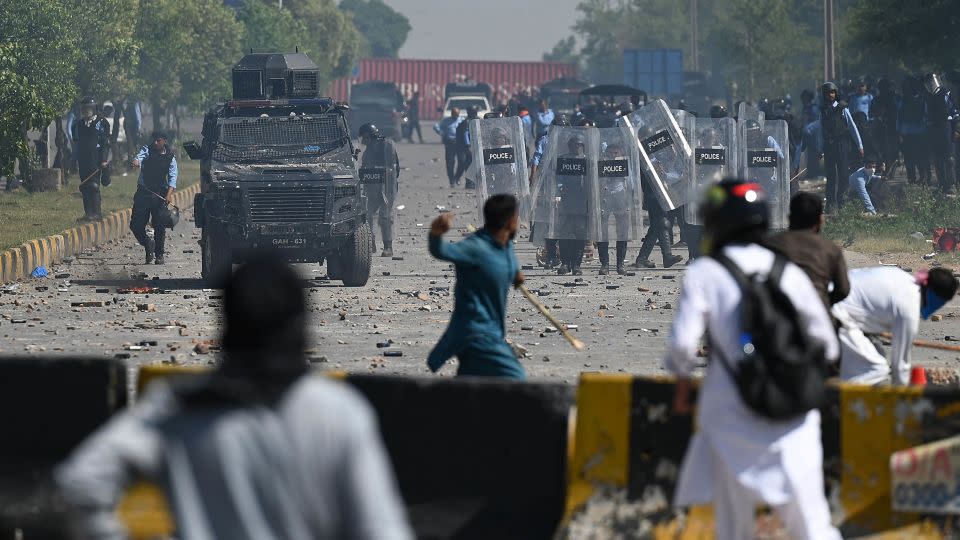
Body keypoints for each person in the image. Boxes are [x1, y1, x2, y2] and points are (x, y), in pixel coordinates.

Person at [56, 253, 413, 540]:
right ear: (300, 327)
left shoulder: (181, 408)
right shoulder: (338, 413)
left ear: (228, 325)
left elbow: (81, 483)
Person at [668, 180, 841, 540]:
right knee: (811, 523)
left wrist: (683, 386)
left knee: (733, 528)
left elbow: (683, 347)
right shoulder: (787, 272)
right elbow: (828, 344)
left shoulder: (704, 273)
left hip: (729, 413)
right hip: (793, 416)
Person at [427, 195, 525, 379]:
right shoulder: (475, 247)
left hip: (492, 332)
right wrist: (435, 234)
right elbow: (442, 251)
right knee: (515, 378)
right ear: (511, 221)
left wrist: (515, 273)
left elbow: (507, 260)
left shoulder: (506, 245)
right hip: (476, 333)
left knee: (472, 385)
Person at [833, 266, 958, 385]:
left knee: (877, 354)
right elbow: (900, 365)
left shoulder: (903, 278)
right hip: (836, 312)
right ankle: (841, 400)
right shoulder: (909, 307)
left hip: (829, 295)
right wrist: (904, 399)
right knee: (876, 368)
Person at [764, 192, 850, 309]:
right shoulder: (830, 249)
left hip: (779, 314)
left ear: (789, 218)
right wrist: (823, 302)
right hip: (818, 314)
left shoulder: (770, 244)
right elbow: (843, 290)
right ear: (820, 221)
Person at [130, 132, 178, 265]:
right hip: (144, 192)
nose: (155, 143)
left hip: (160, 194)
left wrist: (168, 195)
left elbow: (173, 178)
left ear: (164, 141)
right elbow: (138, 158)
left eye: (158, 141)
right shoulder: (147, 150)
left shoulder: (170, 157)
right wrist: (135, 162)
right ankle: (148, 243)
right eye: (154, 140)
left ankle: (159, 255)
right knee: (135, 225)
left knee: (159, 225)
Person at [816, 82, 863, 212]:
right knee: (831, 176)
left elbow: (853, 128)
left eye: (832, 92)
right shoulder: (823, 111)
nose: (830, 95)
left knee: (843, 174)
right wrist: (820, 149)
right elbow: (820, 131)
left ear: (836, 93)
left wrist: (860, 145)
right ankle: (830, 204)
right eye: (827, 93)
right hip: (828, 147)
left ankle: (843, 203)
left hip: (842, 145)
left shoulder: (843, 109)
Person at [359, 123, 401, 257]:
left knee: (385, 216)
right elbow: (364, 170)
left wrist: (381, 173)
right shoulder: (367, 152)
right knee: (366, 215)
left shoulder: (387, 145)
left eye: (364, 137)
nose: (363, 141)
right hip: (372, 187)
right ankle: (370, 244)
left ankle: (388, 246)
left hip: (387, 186)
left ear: (369, 136)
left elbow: (392, 167)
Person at [71, 96, 111, 222]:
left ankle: (97, 213)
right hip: (83, 160)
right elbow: (76, 145)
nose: (86, 111)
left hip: (96, 160)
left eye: (89, 108)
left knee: (93, 185)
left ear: (94, 109)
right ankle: (88, 213)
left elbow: (105, 143)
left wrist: (104, 160)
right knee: (84, 186)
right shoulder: (78, 125)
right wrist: (73, 161)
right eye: (84, 109)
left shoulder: (102, 122)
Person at [923, 73, 959, 194]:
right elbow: (926, 116)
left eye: (931, 81)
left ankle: (951, 184)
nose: (930, 84)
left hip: (946, 129)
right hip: (934, 130)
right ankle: (942, 183)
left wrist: (957, 130)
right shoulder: (928, 97)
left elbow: (955, 114)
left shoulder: (946, 94)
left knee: (949, 158)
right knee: (938, 159)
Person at [899, 76, 930, 184]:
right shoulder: (906, 100)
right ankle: (912, 177)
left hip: (917, 133)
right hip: (910, 133)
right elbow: (900, 116)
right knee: (910, 158)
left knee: (918, 157)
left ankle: (921, 177)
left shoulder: (921, 99)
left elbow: (926, 115)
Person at [434, 107, 462, 188]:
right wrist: (442, 133)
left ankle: (457, 177)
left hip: (460, 143)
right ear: (452, 113)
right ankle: (452, 180)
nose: (455, 116)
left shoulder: (461, 120)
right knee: (450, 162)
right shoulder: (446, 121)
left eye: (457, 114)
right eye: (454, 114)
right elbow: (436, 126)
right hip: (449, 142)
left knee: (462, 161)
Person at [455, 106, 479, 189]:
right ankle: (469, 183)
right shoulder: (467, 122)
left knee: (473, 165)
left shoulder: (476, 120)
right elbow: (465, 134)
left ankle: (472, 183)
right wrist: (468, 146)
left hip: (474, 146)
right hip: (467, 147)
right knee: (468, 165)